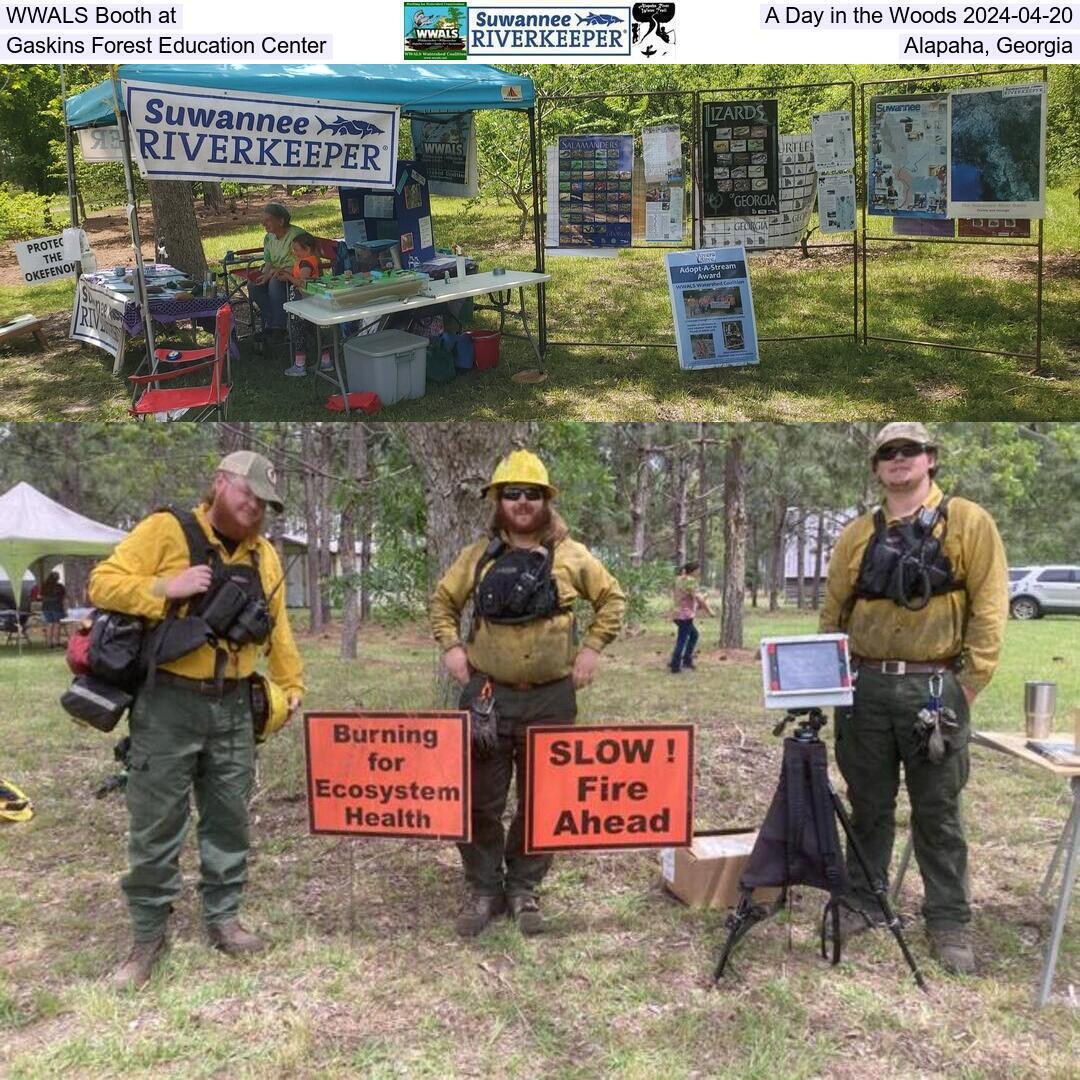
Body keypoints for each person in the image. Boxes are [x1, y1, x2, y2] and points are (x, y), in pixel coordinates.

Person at [88, 451, 304, 991]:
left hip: (234, 703)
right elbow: (102, 583)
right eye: (246, 495)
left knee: (229, 816)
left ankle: (224, 919)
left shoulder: (265, 556)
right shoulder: (167, 530)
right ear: (220, 484)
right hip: (169, 702)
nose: (253, 509)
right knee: (156, 821)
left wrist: (292, 685)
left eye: (263, 503)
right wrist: (167, 588)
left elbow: (278, 630)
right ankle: (146, 937)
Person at [820, 422, 1007, 975]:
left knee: (938, 810)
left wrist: (969, 682)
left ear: (930, 459)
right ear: (877, 468)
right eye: (887, 453)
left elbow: (990, 608)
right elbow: (833, 613)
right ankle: (864, 901)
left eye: (909, 451)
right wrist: (833, 680)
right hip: (867, 688)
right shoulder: (857, 533)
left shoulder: (968, 522)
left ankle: (948, 920)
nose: (898, 460)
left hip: (935, 687)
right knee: (868, 804)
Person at [430, 450, 626, 938]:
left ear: (546, 500)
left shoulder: (571, 555)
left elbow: (612, 599)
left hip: (550, 698)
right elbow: (442, 601)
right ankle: (483, 888)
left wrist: (592, 650)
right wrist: (452, 648)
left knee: (545, 799)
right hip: (488, 699)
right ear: (497, 500)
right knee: (478, 799)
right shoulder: (476, 556)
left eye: (531, 494)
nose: (521, 502)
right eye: (511, 493)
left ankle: (523, 887)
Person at [281, 233, 333, 378]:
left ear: (307, 249)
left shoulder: (307, 263)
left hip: (305, 302)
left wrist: (288, 277)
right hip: (307, 301)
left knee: (299, 330)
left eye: (297, 249)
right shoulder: (304, 261)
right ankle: (326, 360)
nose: (294, 252)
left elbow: (303, 282)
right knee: (313, 330)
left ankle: (300, 364)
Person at [248, 203, 300, 344]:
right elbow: (269, 261)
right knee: (254, 285)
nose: (263, 224)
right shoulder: (269, 238)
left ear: (281, 221)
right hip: (276, 273)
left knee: (275, 283)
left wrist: (271, 274)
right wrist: (264, 275)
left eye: (268, 220)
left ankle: (280, 327)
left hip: (297, 275)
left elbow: (300, 264)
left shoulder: (296, 236)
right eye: (262, 220)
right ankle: (270, 324)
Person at [669, 561, 712, 674]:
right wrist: (709, 611)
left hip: (677, 614)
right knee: (682, 639)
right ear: (692, 571)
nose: (699, 572)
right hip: (685, 615)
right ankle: (675, 666)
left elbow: (686, 596)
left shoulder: (678, 579)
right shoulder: (690, 581)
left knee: (693, 635)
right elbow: (698, 598)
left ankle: (686, 660)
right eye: (697, 570)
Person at [40, 570, 66, 648]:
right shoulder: (60, 586)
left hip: (46, 607)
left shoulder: (44, 586)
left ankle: (49, 642)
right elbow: (63, 597)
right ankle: (56, 641)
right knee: (57, 624)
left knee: (49, 624)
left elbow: (40, 596)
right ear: (57, 578)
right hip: (57, 607)